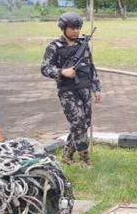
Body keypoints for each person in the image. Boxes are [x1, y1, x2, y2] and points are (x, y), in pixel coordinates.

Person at [40, 12, 102, 166]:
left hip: (84, 88)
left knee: (83, 124)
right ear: (63, 28)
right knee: (78, 123)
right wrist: (61, 72)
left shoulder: (83, 44)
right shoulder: (55, 47)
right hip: (67, 91)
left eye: (78, 28)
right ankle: (84, 159)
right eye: (72, 28)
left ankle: (67, 154)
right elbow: (45, 68)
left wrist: (96, 87)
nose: (76, 31)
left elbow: (90, 67)